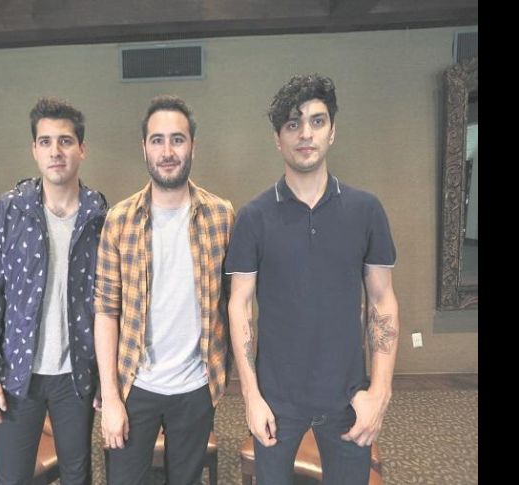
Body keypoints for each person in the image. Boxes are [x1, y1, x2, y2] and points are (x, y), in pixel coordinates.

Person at [226, 74, 400, 485]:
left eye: (317, 121)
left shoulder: (366, 210)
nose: (305, 133)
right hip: (276, 402)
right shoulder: (253, 217)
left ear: (332, 131)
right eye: (293, 123)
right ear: (278, 139)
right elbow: (239, 305)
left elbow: (382, 301)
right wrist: (250, 397)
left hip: (347, 398)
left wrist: (380, 391)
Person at [94, 95, 235, 485]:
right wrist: (110, 397)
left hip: (196, 386)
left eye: (177, 139)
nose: (168, 151)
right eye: (157, 140)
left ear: (193, 146)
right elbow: (105, 311)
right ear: (144, 148)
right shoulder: (119, 220)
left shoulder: (221, 216)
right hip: (134, 384)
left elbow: (233, 302)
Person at [0, 97, 107, 485]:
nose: (55, 151)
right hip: (19, 375)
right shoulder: (9, 211)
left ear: (82, 149)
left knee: (77, 475)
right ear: (34, 149)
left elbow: (109, 305)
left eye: (65, 141)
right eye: (45, 142)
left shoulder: (99, 216)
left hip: (76, 375)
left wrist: (105, 377)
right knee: (12, 477)